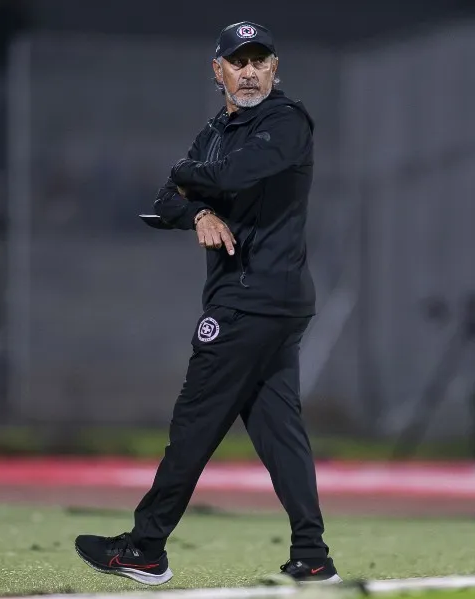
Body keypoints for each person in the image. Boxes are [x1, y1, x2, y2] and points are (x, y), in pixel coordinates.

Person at [74, 21, 340, 587]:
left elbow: (226, 173)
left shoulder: (286, 121)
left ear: (275, 67)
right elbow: (167, 198)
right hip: (267, 300)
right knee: (277, 429)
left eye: (258, 60)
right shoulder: (218, 129)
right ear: (216, 70)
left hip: (251, 299)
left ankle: (145, 549)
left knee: (194, 424)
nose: (248, 71)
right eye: (236, 61)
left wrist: (189, 179)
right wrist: (197, 210)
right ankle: (312, 555)